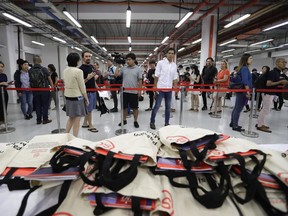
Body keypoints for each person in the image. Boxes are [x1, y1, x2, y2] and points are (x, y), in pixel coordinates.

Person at [256, 58, 288, 133]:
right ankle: (259, 125)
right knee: (265, 109)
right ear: (277, 63)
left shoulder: (277, 72)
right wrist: (281, 81)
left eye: (285, 62)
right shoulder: (273, 72)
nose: (284, 63)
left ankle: (261, 123)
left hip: (271, 93)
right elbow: (268, 83)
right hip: (268, 93)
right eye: (282, 62)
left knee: (266, 109)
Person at [150, 48, 178, 130]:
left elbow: (175, 78)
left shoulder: (174, 65)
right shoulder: (160, 63)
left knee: (168, 107)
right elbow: (156, 75)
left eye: (172, 53)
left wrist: (175, 88)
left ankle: (166, 123)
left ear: (174, 55)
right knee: (157, 106)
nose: (171, 55)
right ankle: (152, 122)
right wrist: (155, 86)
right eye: (169, 53)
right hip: (160, 88)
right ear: (166, 54)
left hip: (169, 89)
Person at [63, 52, 89, 137]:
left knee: (71, 118)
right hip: (77, 97)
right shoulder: (78, 71)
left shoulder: (65, 70)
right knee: (77, 119)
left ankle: (66, 136)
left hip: (68, 96)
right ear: (77, 61)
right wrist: (86, 98)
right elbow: (82, 86)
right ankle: (75, 138)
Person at [116, 53, 142, 128]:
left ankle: (135, 121)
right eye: (127, 60)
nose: (128, 61)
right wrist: (118, 66)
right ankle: (124, 120)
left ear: (134, 60)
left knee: (135, 108)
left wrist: (139, 91)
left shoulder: (138, 69)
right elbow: (116, 75)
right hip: (124, 91)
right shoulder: (124, 68)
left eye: (129, 60)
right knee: (124, 107)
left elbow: (140, 80)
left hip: (133, 91)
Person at [230, 53, 253, 132]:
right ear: (245, 60)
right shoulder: (244, 68)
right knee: (238, 108)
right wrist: (247, 92)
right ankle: (235, 125)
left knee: (236, 107)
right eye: (250, 58)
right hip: (243, 90)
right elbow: (245, 81)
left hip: (240, 90)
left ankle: (233, 123)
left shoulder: (241, 68)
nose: (251, 60)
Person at [29, 55, 53, 124]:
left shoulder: (30, 70)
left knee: (37, 105)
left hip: (35, 90)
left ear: (33, 61)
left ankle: (38, 119)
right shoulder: (44, 69)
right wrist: (52, 87)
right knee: (45, 104)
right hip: (44, 89)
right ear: (40, 61)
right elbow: (49, 79)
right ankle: (45, 119)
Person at [80, 51, 98, 133]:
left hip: (93, 90)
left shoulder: (91, 66)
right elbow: (80, 83)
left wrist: (96, 86)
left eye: (89, 56)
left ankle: (84, 123)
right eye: (86, 56)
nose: (88, 58)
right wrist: (88, 78)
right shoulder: (81, 69)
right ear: (83, 57)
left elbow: (93, 78)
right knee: (89, 109)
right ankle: (90, 125)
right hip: (87, 91)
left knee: (89, 108)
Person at [0, 61, 9, 125]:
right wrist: (1, 83)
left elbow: (5, 82)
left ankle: (4, 119)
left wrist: (6, 84)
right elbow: (2, 83)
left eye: (2, 67)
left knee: (4, 106)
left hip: (4, 92)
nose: (1, 68)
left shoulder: (4, 75)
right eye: (0, 66)